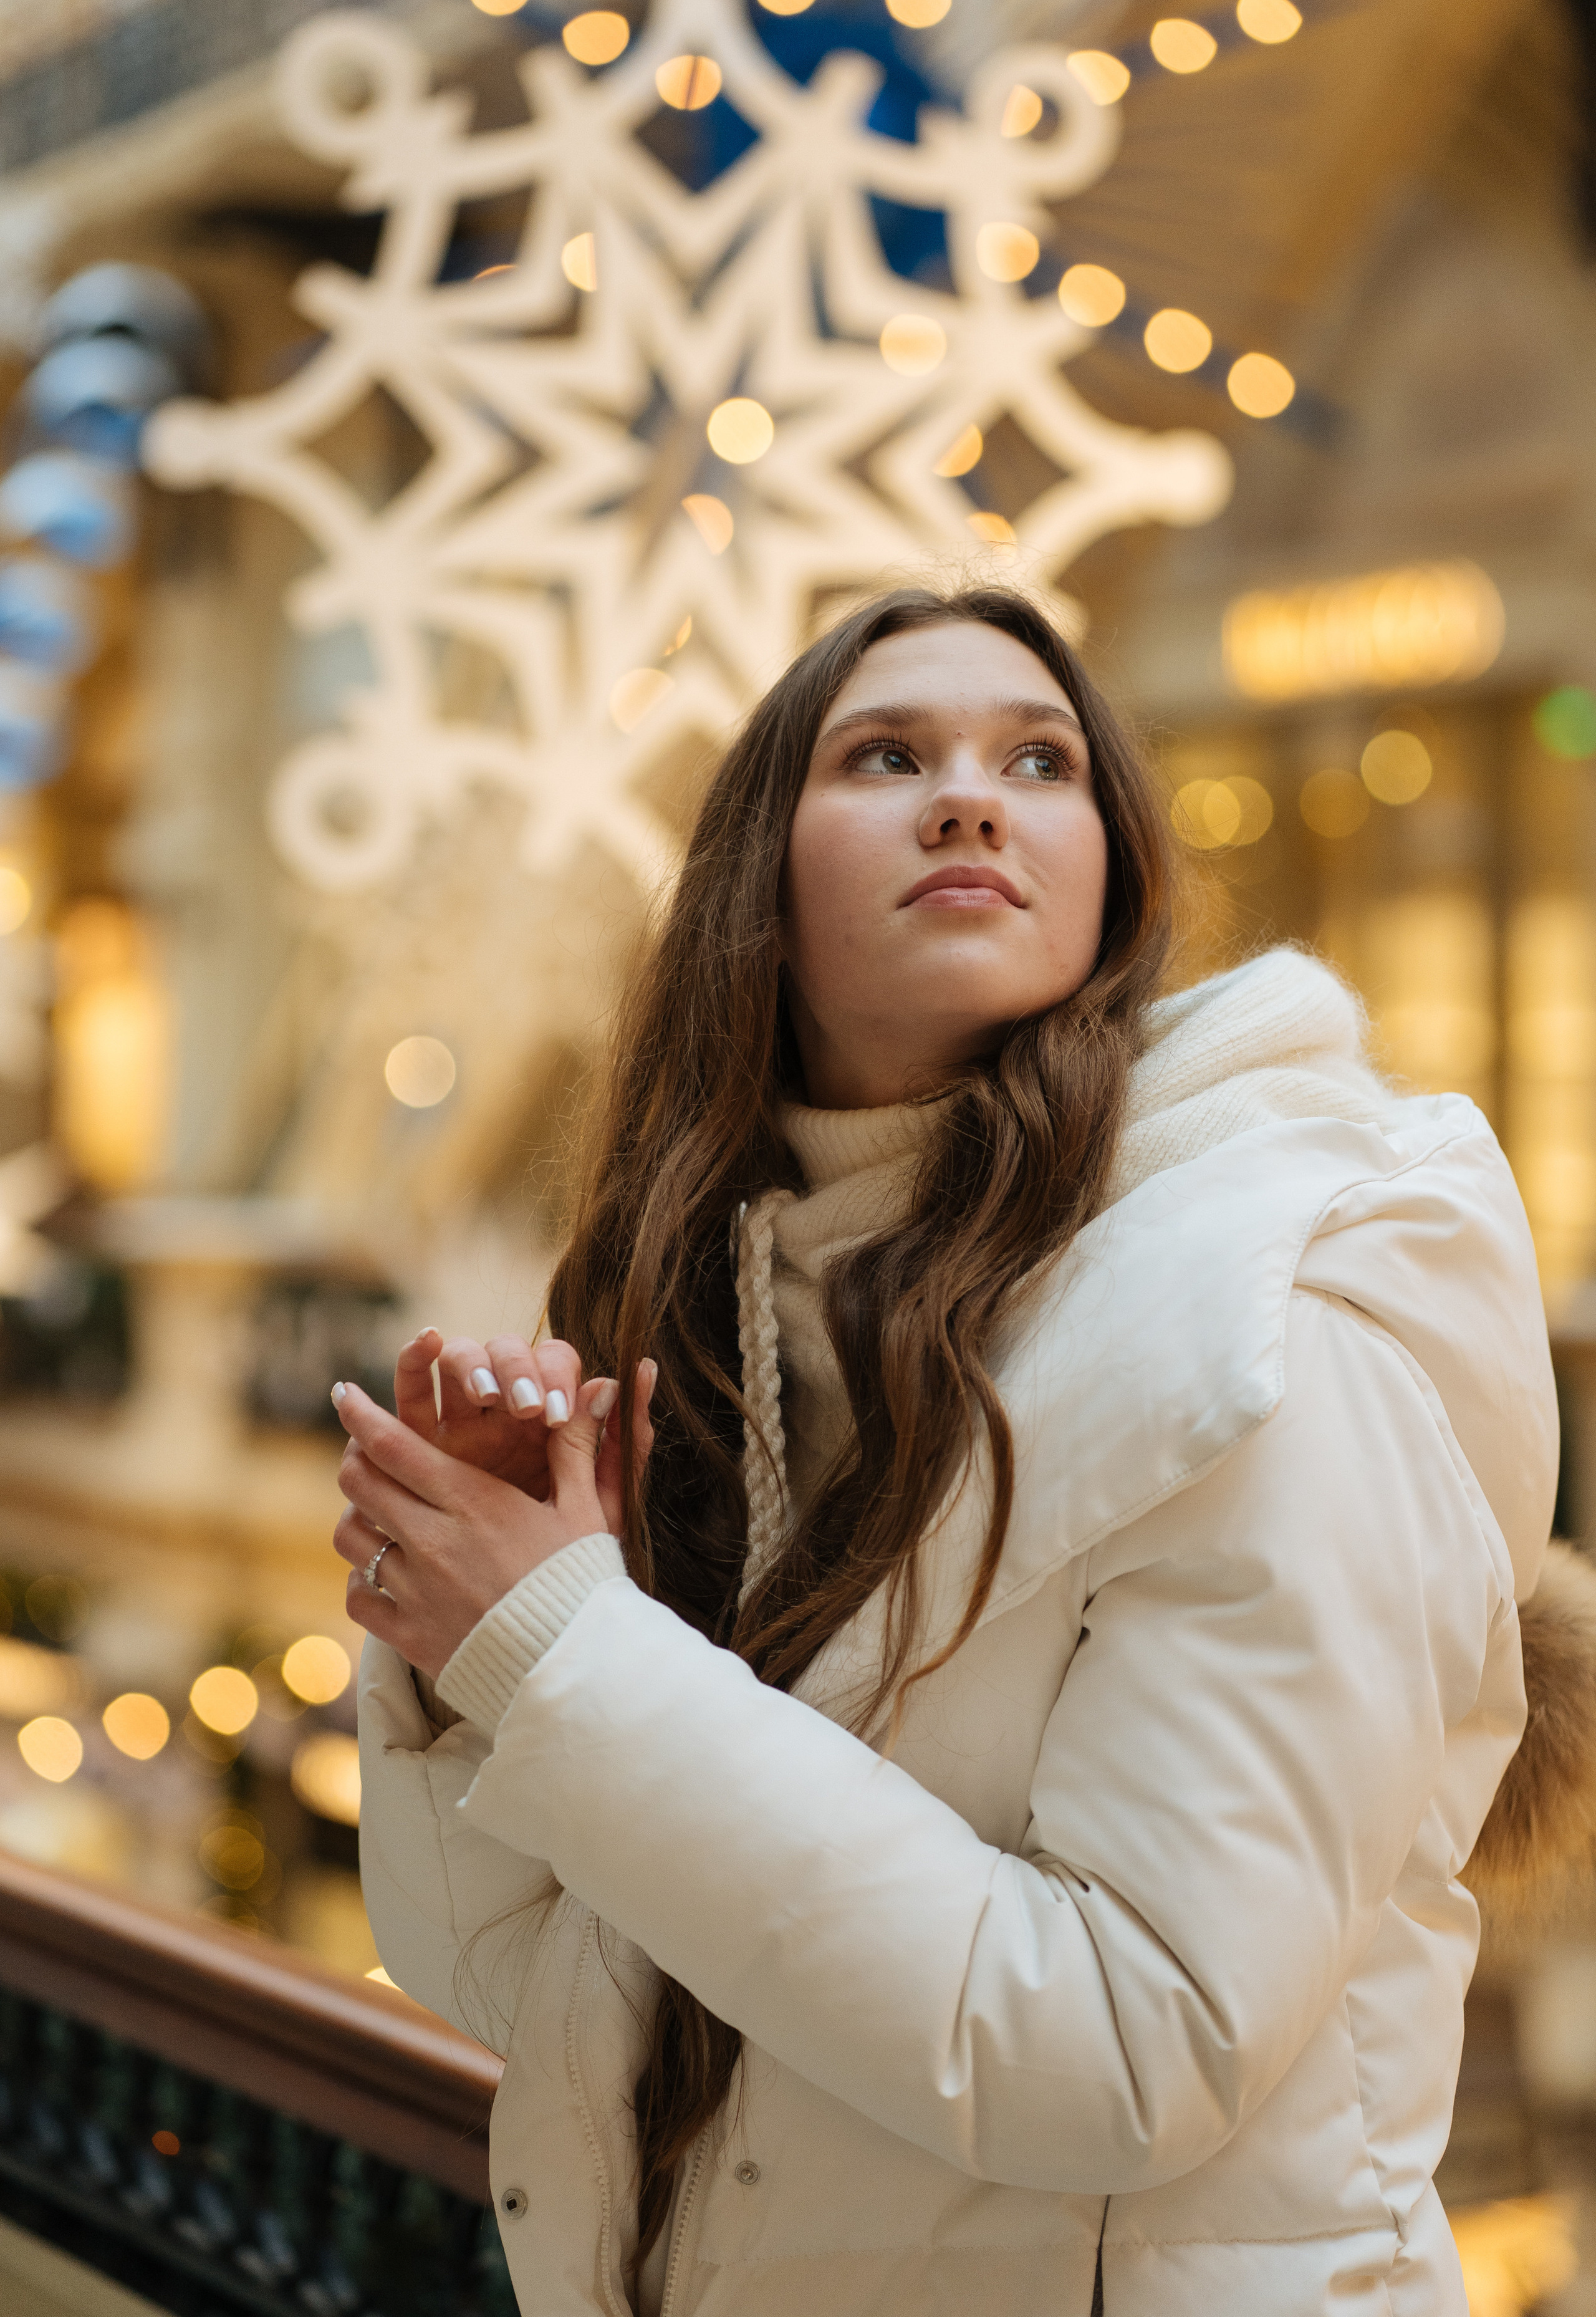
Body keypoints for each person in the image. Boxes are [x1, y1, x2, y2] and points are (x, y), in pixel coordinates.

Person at [335, 584, 1562, 2317]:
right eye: (887, 756)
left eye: (1040, 762)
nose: (971, 799)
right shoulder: (730, 1322)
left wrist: (564, 1655)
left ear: (1115, 874)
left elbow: (1137, 2045)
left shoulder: (1273, 1309)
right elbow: (506, 1984)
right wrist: (476, 1629)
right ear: (760, 881)